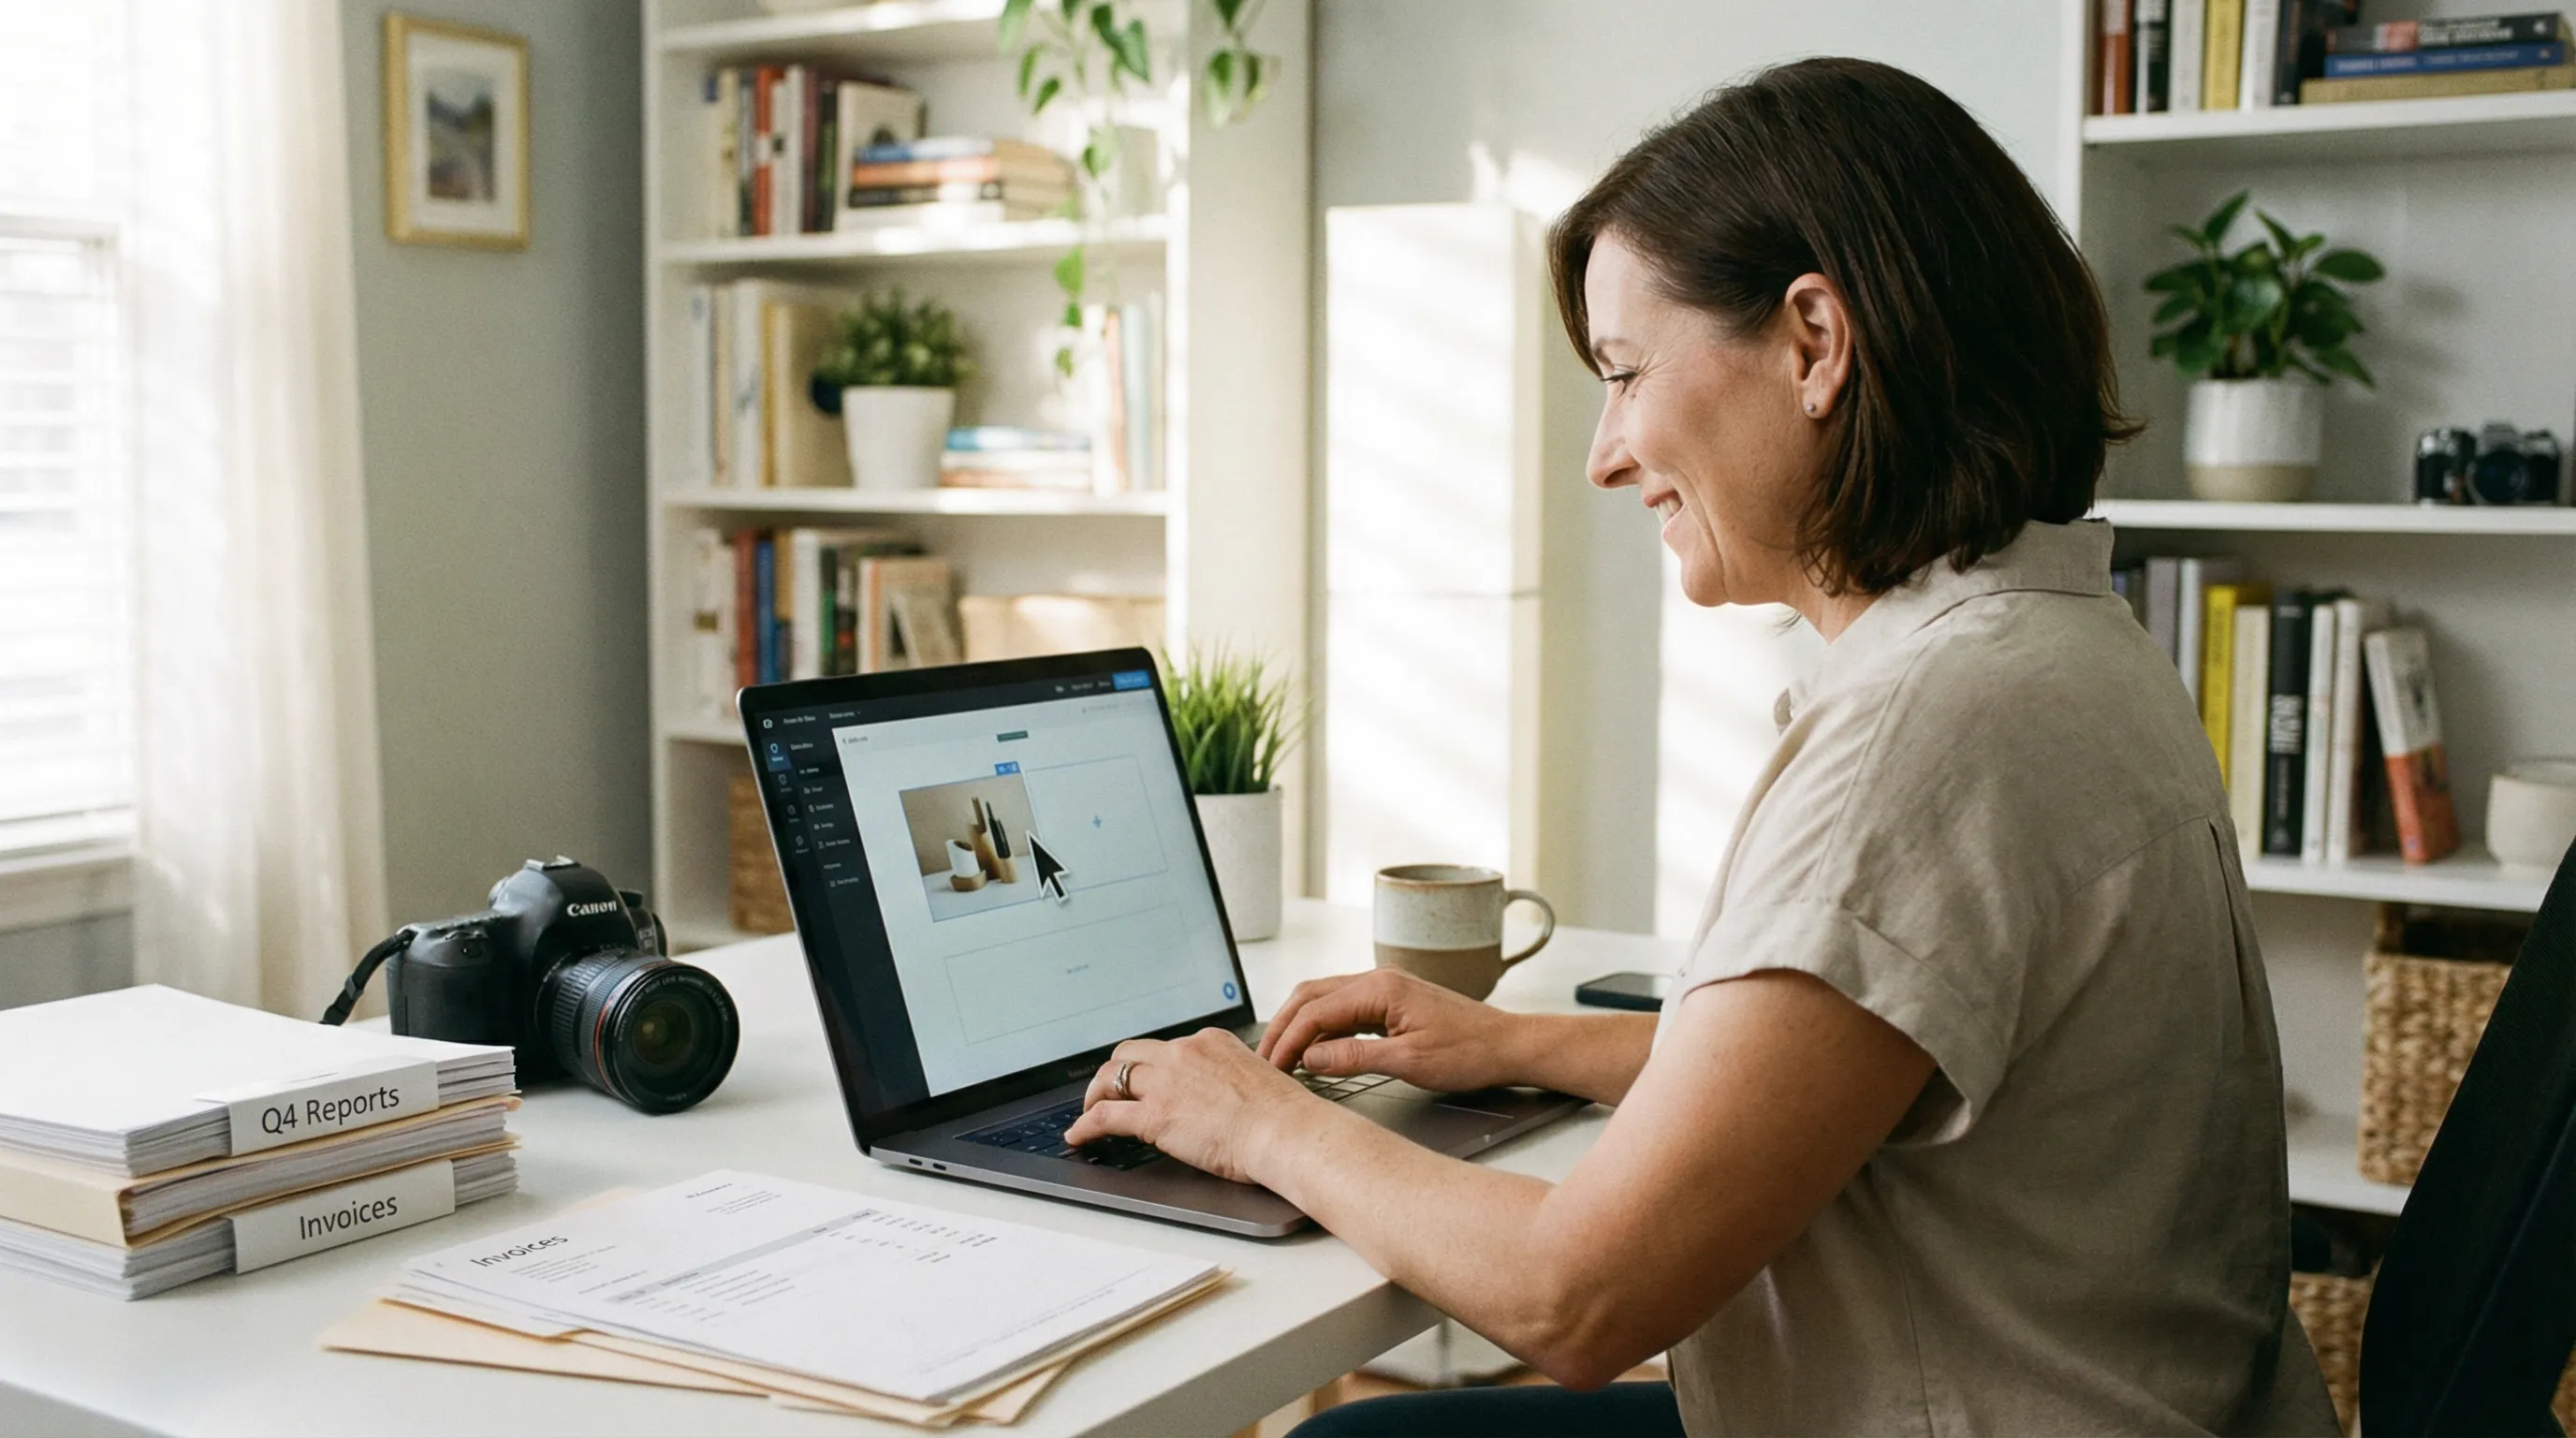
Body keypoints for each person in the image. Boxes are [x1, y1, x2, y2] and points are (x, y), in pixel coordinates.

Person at [1062, 56, 2340, 1437]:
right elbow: (1853, 1070)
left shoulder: (1928, 732)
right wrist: (1519, 1045)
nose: (1606, 455)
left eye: (1622, 375)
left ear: (1813, 342)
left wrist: (1254, 1116)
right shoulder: (2057, 644)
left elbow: (1578, 1298)